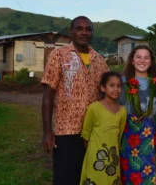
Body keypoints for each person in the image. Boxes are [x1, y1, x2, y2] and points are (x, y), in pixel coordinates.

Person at [41, 16, 109, 185]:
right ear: (71, 31)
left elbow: (107, 96)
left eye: (88, 29)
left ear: (92, 33)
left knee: (90, 178)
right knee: (66, 178)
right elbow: (48, 95)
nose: (84, 33)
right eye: (79, 28)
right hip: (66, 131)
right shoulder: (59, 55)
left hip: (94, 133)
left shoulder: (99, 60)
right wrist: (48, 132)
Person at [118, 45, 156, 185]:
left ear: (151, 61)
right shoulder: (122, 83)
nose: (142, 61)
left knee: (147, 177)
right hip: (128, 138)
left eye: (146, 57)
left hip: (148, 139)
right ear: (132, 60)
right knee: (129, 177)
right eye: (138, 57)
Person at [80, 71, 127, 185]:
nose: (116, 89)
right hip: (96, 157)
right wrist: (94, 152)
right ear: (102, 88)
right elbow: (85, 134)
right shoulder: (94, 108)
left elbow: (119, 135)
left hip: (113, 158)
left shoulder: (122, 111)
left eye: (119, 86)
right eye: (111, 85)